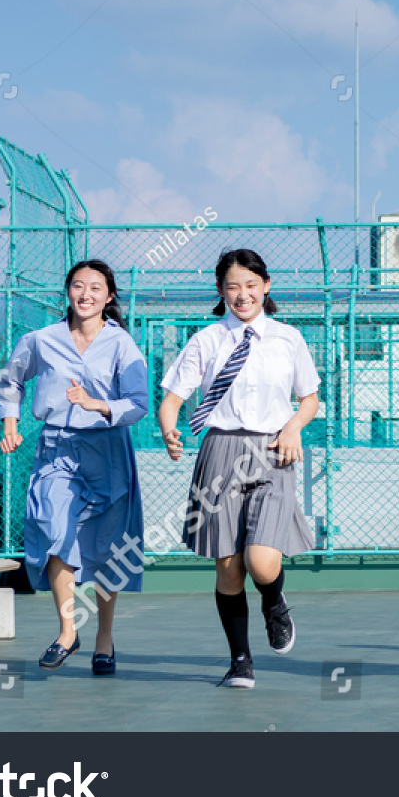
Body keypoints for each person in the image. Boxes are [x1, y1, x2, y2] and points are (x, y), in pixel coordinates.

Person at [156, 248, 320, 689]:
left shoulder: (288, 338)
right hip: (220, 451)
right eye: (233, 287)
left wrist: (294, 428)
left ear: (266, 287)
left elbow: (309, 399)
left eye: (251, 285)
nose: (242, 295)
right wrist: (170, 429)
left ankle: (274, 601)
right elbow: (171, 398)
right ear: (220, 292)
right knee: (228, 566)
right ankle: (240, 661)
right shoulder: (206, 341)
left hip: (272, 450)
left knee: (261, 561)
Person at [0, 259, 148, 676]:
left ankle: (104, 638)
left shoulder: (122, 345)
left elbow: (138, 403)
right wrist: (11, 424)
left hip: (107, 451)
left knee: (105, 547)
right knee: (54, 532)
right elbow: (10, 379)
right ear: (67, 292)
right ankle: (67, 632)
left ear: (109, 296)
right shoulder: (41, 340)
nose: (86, 295)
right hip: (56, 448)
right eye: (78, 286)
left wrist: (99, 404)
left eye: (96, 288)